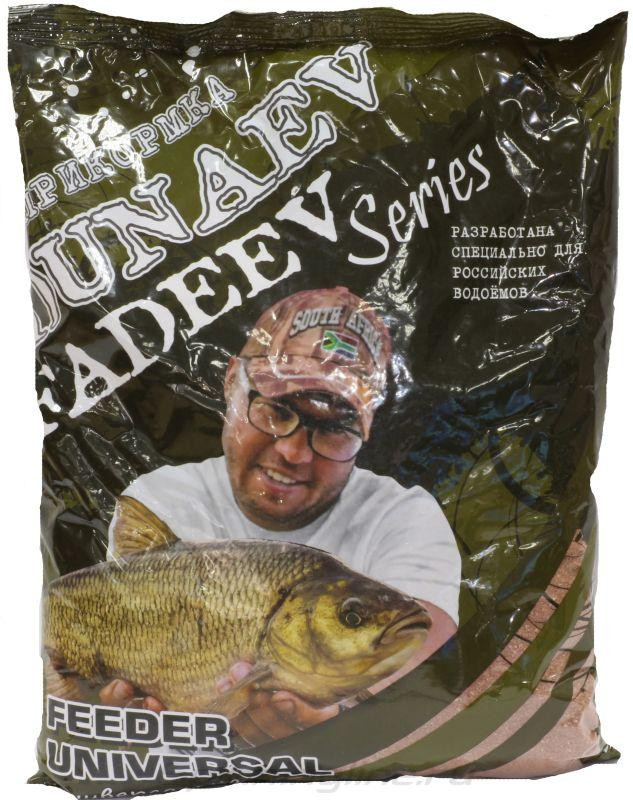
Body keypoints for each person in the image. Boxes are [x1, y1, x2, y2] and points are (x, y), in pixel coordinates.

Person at [102, 286, 461, 744]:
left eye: (334, 429)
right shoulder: (160, 501)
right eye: (276, 409)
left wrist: (348, 719)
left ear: (367, 430)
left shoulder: (403, 518)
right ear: (232, 383)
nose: (294, 452)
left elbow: (424, 655)